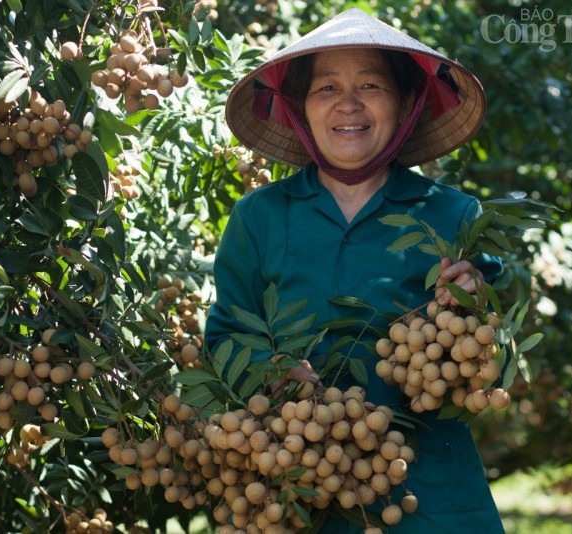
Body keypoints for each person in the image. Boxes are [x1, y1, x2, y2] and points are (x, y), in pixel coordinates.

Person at [205, 8, 504, 533]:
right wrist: (269, 371)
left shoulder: (455, 217)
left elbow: (494, 362)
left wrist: (479, 313)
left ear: (407, 104)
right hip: (296, 492)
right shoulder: (258, 217)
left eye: (371, 84)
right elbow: (226, 334)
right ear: (299, 108)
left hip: (430, 501)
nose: (348, 104)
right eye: (326, 88)